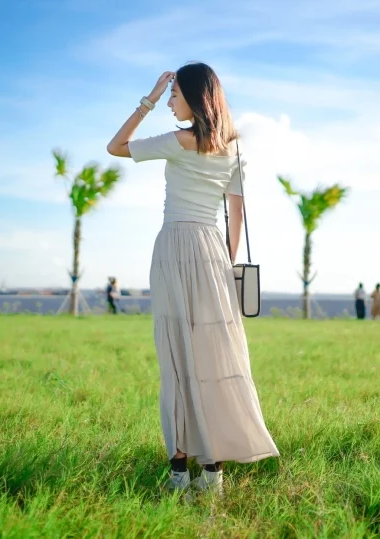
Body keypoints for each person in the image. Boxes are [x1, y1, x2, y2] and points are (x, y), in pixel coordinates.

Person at [107, 63, 278, 497]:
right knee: (214, 358)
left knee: (177, 360)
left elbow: (116, 147)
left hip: (174, 245)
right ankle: (213, 474)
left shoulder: (179, 142)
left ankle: (179, 473)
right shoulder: (236, 151)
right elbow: (236, 215)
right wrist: (225, 263)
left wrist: (145, 98)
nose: (169, 103)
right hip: (214, 253)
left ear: (195, 98)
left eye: (174, 95)